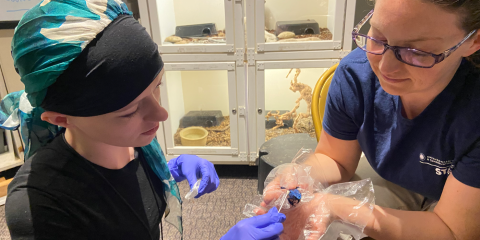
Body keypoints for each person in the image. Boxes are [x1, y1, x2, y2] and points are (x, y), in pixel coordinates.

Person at [0, 0, 285, 239]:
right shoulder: (40, 206)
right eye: (128, 111)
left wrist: (168, 169)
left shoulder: (130, 144)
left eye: (157, 86)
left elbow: (124, 182)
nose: (161, 114)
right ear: (62, 118)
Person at [261, 0, 480, 239]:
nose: (386, 67)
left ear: (473, 41)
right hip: (401, 179)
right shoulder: (357, 74)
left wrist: (337, 207)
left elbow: (452, 230)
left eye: (416, 52)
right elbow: (335, 159)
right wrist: (300, 174)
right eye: (378, 37)